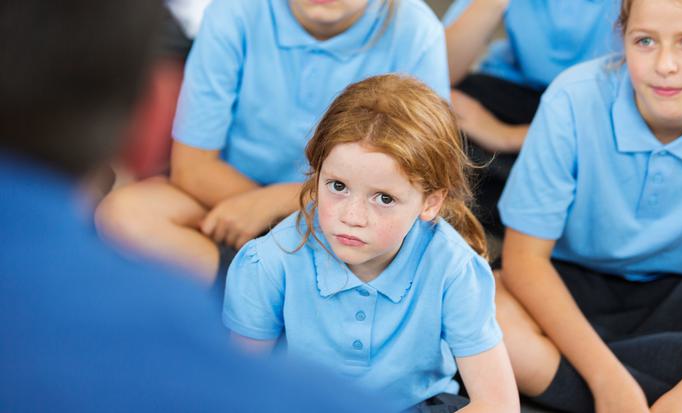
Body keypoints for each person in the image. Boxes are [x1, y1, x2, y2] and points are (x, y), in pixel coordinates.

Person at [0, 1, 394, 412]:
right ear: (152, 117)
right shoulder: (154, 326)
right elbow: (192, 169)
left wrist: (285, 201)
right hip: (229, 217)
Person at [95, 0, 450, 284]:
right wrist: (255, 209)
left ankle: (266, 292)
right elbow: (193, 167)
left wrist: (276, 202)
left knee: (400, 251)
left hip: (347, 217)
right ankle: (263, 292)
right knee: (123, 214)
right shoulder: (234, 12)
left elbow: (416, 184)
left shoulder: (416, 32)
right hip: (227, 198)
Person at [222, 75, 519, 412]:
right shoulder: (272, 260)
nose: (352, 216)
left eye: (384, 198)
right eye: (337, 186)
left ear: (430, 203)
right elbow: (241, 387)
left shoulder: (453, 269)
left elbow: (497, 404)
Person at [496, 0, 682, 411]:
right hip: (569, 285)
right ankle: (628, 388)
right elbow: (524, 260)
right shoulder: (572, 98)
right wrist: (606, 377)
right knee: (479, 308)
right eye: (645, 41)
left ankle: (588, 390)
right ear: (623, 39)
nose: (665, 64)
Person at [443, 0, 621, 239]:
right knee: (436, 122)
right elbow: (438, 74)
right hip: (520, 91)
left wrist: (506, 136)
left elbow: (638, 113)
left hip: (603, 112)